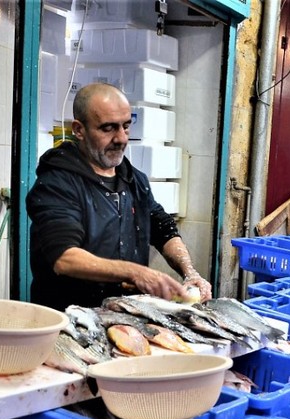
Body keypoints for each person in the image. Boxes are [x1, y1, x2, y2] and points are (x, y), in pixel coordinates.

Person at [28, 83, 211, 310]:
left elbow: (162, 228)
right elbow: (64, 258)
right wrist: (136, 273)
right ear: (79, 130)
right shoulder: (57, 183)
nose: (122, 138)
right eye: (108, 128)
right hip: (70, 320)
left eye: (126, 126)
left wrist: (188, 271)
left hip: (125, 315)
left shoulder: (134, 180)